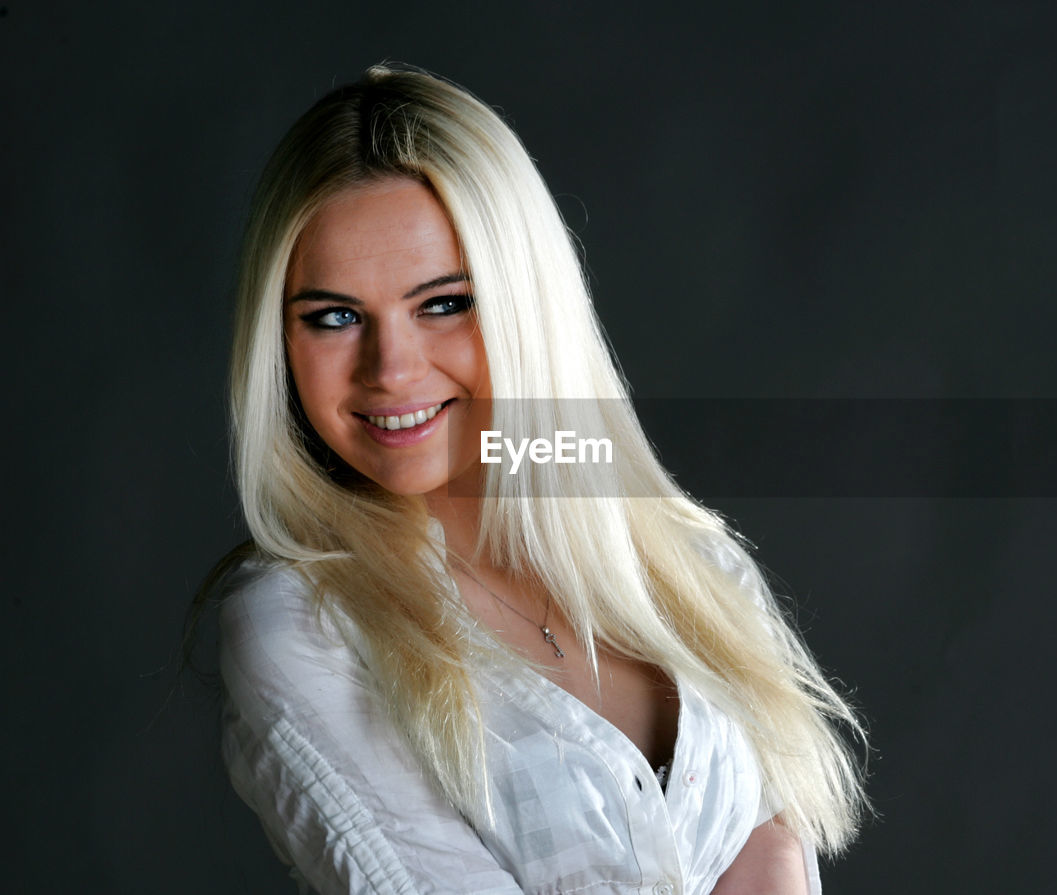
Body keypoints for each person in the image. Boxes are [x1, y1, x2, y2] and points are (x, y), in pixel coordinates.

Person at [212, 63, 869, 894]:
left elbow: (781, 848)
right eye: (335, 318)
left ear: (529, 302)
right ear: (279, 340)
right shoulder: (300, 629)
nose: (392, 369)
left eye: (444, 302)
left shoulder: (690, 566)